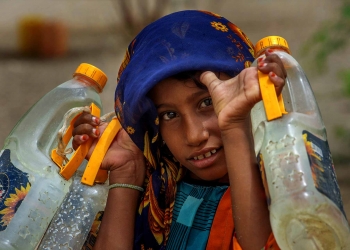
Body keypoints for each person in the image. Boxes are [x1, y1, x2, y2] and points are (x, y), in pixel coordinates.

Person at [73, 10, 286, 250]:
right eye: (169, 115)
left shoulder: (288, 174)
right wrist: (126, 172)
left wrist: (234, 125)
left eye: (207, 102)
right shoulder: (156, 188)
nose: (195, 135)